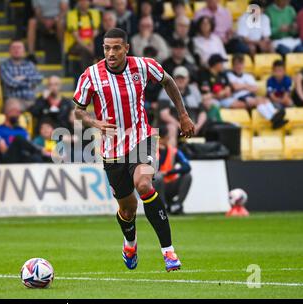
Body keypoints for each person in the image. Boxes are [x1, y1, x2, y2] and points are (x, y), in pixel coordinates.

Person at [73, 28, 195, 272]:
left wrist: (182, 114)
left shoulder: (143, 66)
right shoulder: (91, 76)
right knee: (127, 210)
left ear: (126, 48)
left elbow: (168, 81)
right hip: (112, 150)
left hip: (142, 138)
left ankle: (168, 252)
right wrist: (95, 123)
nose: (111, 53)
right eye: (107, 48)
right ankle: (130, 243)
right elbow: (78, 110)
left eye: (116, 47)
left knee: (144, 185)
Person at [227, 54, 288, 128]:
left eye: (241, 64)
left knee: (265, 99)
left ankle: (275, 116)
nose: (239, 66)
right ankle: (272, 119)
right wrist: (247, 86)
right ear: (233, 65)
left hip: (251, 95)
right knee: (258, 101)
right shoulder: (229, 75)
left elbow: (256, 88)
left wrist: (242, 86)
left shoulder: (248, 76)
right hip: (240, 97)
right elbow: (235, 87)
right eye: (237, 64)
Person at [158, 66, 207, 142]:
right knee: (171, 128)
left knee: (210, 126)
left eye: (183, 78)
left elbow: (202, 112)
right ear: (173, 79)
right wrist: (181, 125)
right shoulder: (165, 91)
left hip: (194, 124)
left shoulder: (194, 90)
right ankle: (172, 153)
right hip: (176, 125)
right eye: (178, 78)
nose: (180, 80)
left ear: (188, 79)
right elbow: (164, 114)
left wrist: (198, 126)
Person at [0, 98, 49, 164]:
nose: (19, 115)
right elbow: (3, 150)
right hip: (9, 158)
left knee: (36, 158)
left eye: (19, 112)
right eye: (17, 112)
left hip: (23, 157)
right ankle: (41, 151)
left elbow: (29, 145)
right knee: (18, 138)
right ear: (8, 112)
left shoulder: (22, 130)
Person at [153, 125, 192, 215]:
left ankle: (177, 205)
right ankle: (163, 206)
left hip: (170, 184)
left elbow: (187, 167)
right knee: (158, 177)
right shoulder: (151, 151)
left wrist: (169, 172)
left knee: (187, 176)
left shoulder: (173, 151)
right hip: (156, 186)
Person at [0, 40, 43, 111]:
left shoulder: (30, 64)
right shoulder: (4, 65)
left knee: (46, 109)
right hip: (14, 100)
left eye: (19, 48)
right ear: (9, 51)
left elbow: (39, 78)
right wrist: (29, 84)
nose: (16, 50)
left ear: (24, 51)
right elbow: (11, 83)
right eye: (14, 48)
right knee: (13, 107)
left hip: (31, 100)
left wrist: (24, 77)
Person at [66, 0, 101, 71]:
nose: (83, 2)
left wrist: (92, 44)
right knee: (84, 50)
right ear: (77, 3)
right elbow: (76, 36)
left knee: (101, 46)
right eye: (81, 1)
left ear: (89, 2)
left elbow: (96, 31)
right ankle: (87, 75)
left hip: (91, 43)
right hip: (75, 45)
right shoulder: (71, 14)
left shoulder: (95, 13)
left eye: (86, 1)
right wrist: (90, 49)